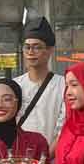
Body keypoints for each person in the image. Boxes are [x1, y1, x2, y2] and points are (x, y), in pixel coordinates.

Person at [15, 16, 65, 152]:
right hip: (18, 159)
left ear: (49, 50)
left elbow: (64, 128)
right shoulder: (14, 86)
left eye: (37, 47)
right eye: (27, 47)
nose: (31, 52)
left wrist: (45, 158)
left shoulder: (64, 85)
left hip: (51, 161)